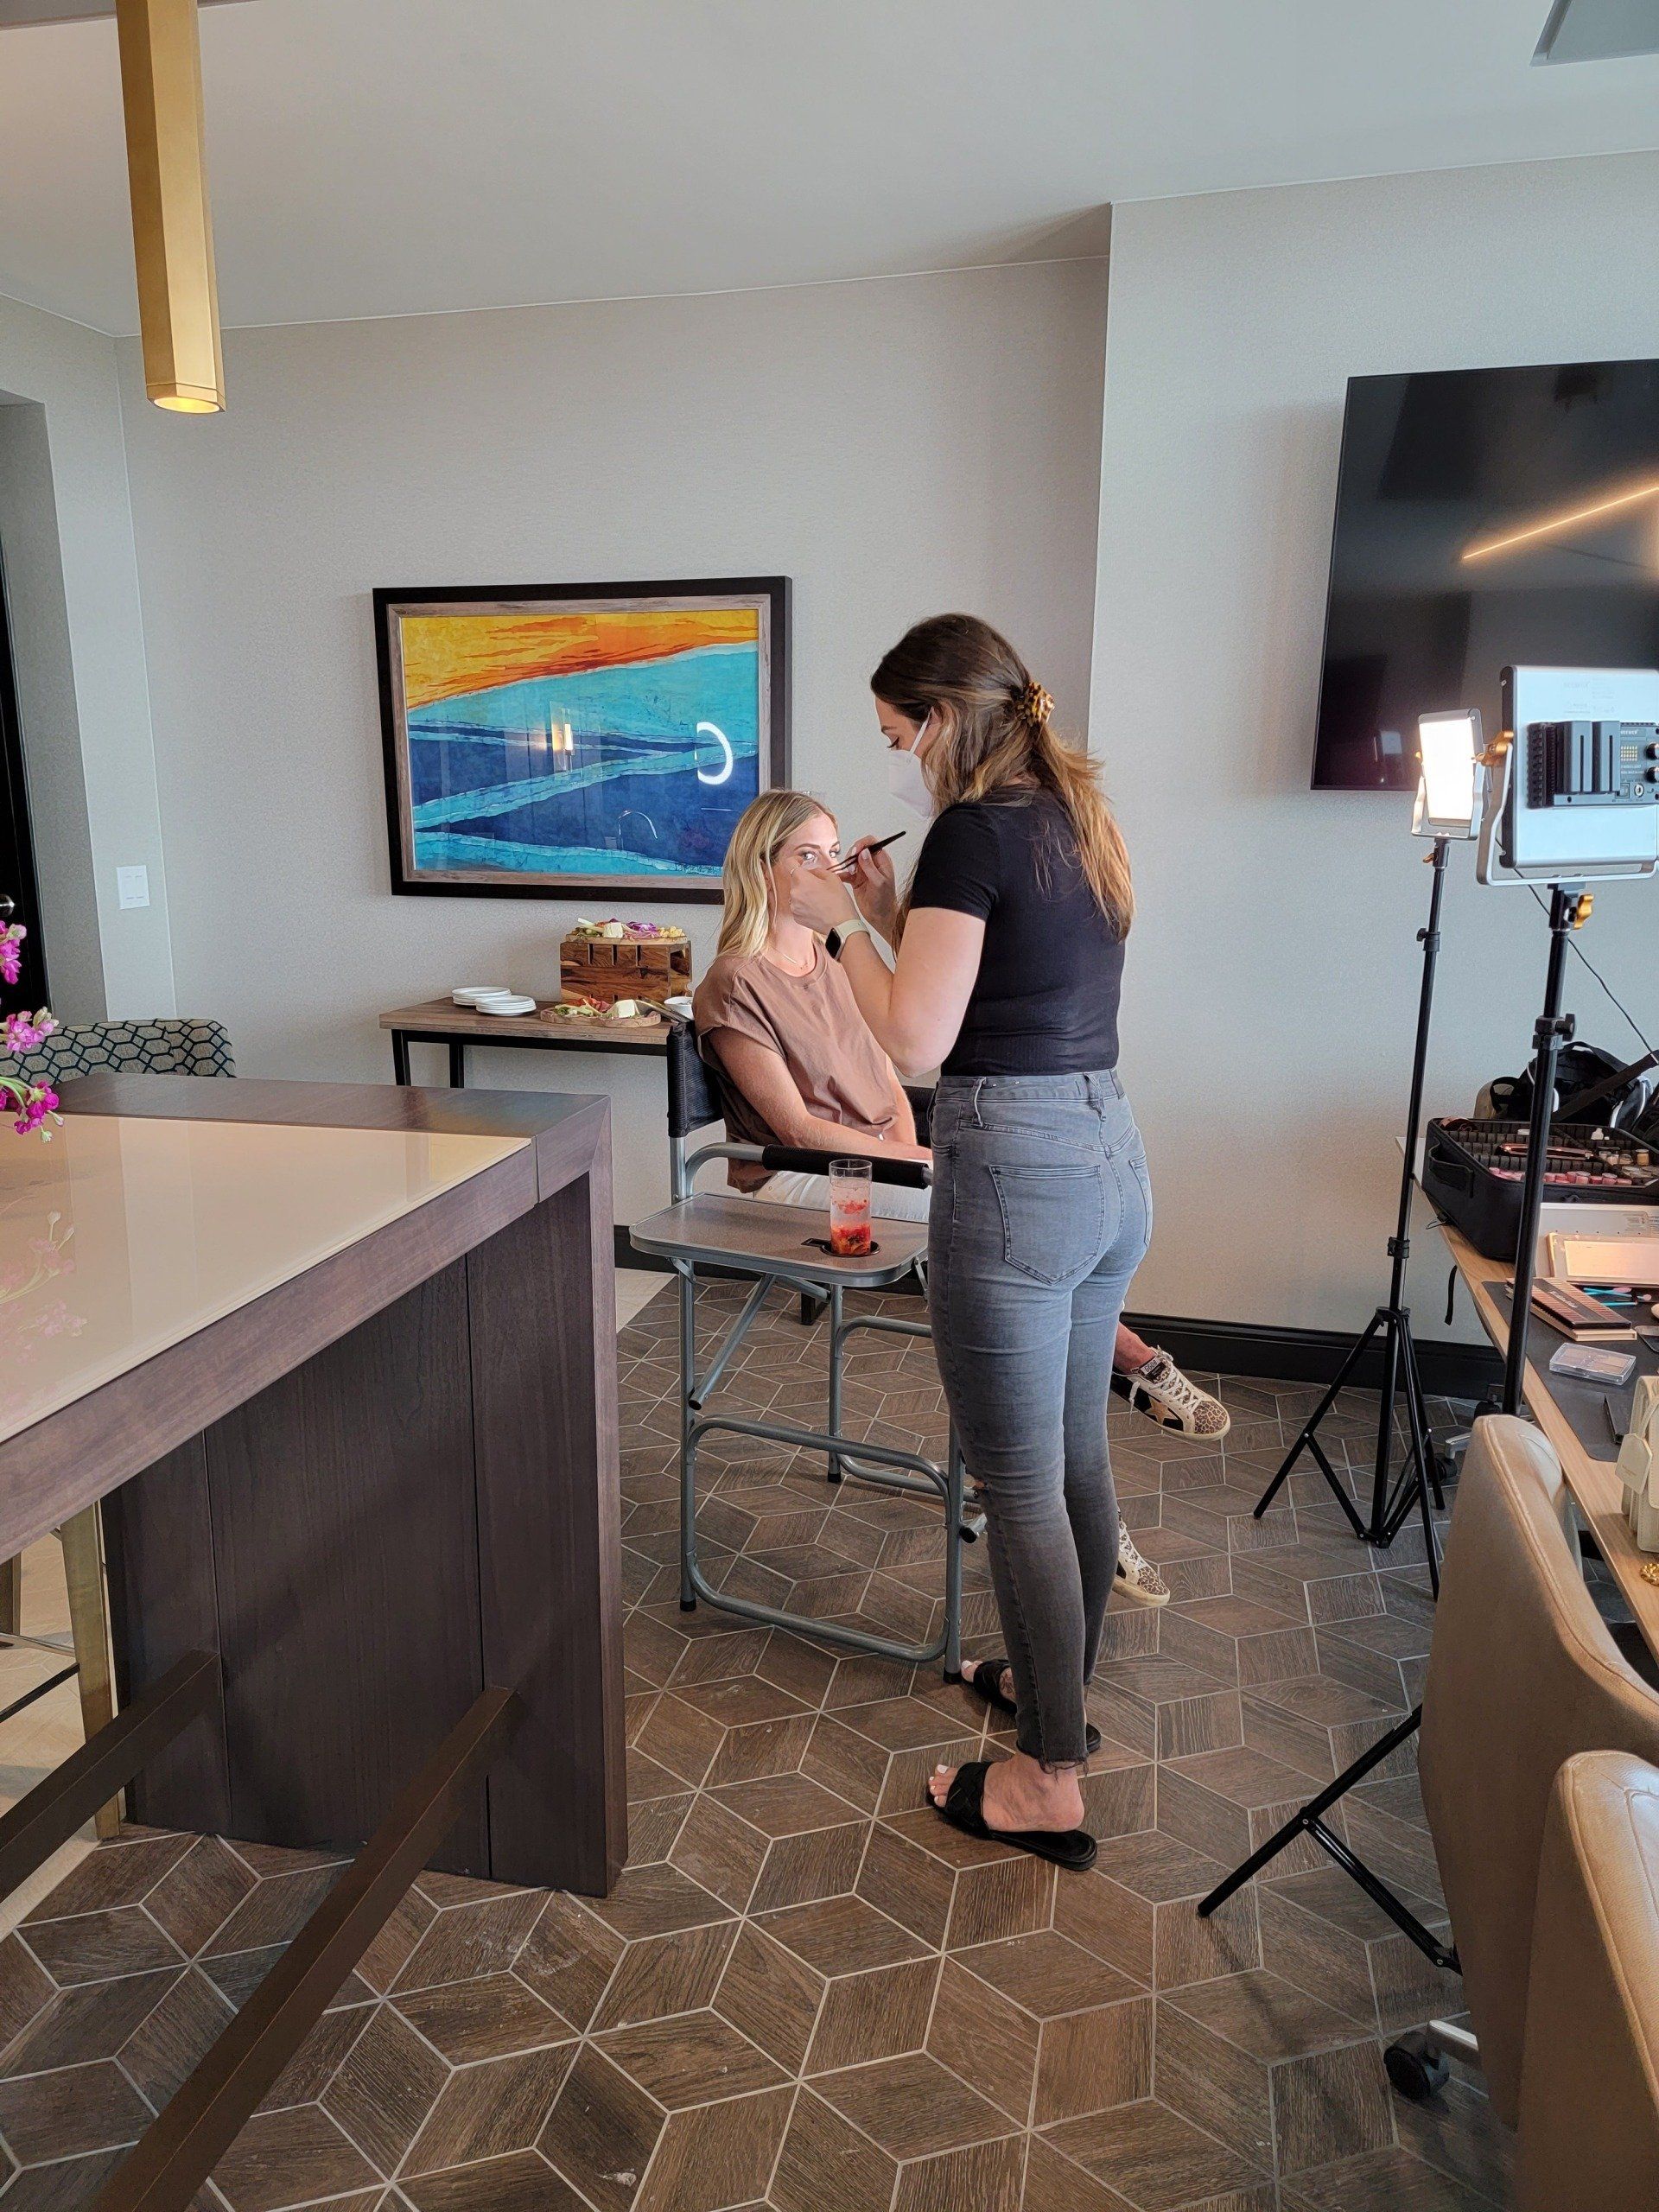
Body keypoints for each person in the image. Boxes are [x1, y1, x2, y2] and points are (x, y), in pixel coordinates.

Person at [786, 613, 1159, 1869]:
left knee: (1020, 1488)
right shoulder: (1072, 817)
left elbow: (914, 1041)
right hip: (1108, 1157)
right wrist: (891, 913)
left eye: (898, 735)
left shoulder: (973, 830)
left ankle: (1048, 1781)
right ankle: (1059, 1694)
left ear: (942, 720)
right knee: (1074, 1460)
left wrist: (835, 928)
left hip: (1016, 1175)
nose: (897, 759)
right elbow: (987, 987)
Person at [694, 788, 1227, 1603]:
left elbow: (903, 1064)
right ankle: (1102, 1418)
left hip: (885, 1164)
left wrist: (916, 1147)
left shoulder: (838, 962)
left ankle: (1051, 1492)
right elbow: (795, 1127)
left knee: (1005, 1246)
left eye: (833, 853)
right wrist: (920, 1158)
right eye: (807, 856)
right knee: (990, 1219)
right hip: (797, 1177)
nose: (828, 870)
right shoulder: (734, 981)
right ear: (760, 869)